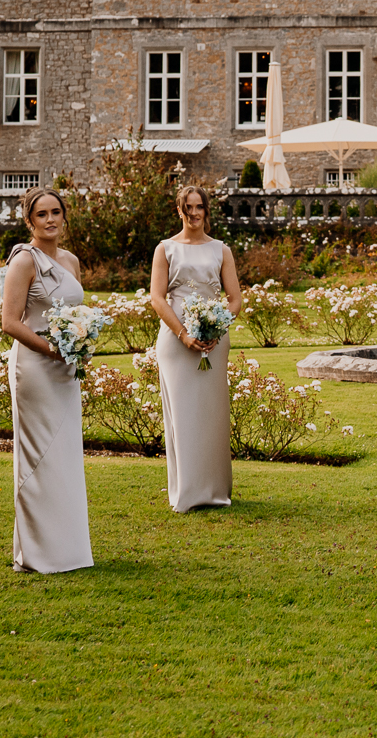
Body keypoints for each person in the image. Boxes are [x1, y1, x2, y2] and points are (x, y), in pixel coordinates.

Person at [0, 186, 93, 573]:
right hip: (36, 369)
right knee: (38, 458)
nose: (50, 219)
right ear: (28, 221)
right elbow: (9, 322)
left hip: (66, 369)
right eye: (42, 214)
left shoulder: (70, 260)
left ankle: (67, 550)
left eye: (56, 212)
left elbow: (77, 311)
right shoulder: (24, 261)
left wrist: (80, 340)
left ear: (64, 217)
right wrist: (50, 349)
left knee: (66, 456)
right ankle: (37, 555)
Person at [149, 184, 243, 512]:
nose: (194, 213)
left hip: (214, 341)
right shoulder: (166, 249)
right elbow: (157, 298)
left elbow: (235, 300)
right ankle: (186, 493)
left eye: (199, 206)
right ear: (179, 211)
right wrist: (183, 334)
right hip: (176, 342)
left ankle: (216, 491)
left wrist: (217, 327)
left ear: (206, 209)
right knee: (182, 415)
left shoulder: (221, 250)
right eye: (187, 208)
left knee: (212, 414)